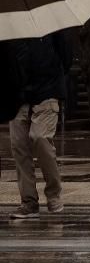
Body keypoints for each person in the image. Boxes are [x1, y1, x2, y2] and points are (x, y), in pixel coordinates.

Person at [8, 31, 71, 221]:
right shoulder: (11, 30)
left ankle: (53, 194)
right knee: (19, 146)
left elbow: (66, 57)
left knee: (40, 138)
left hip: (46, 92)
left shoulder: (53, 29)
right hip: (18, 97)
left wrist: (53, 80)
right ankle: (28, 202)